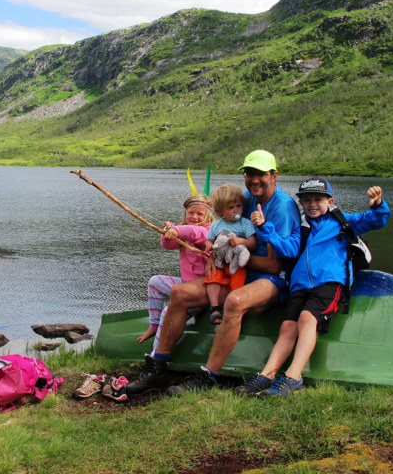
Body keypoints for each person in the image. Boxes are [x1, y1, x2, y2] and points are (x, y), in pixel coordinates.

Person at [123, 150, 301, 396]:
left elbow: (273, 266)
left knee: (235, 301)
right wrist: (215, 256)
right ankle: (158, 366)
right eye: (249, 173)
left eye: (260, 174)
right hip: (237, 271)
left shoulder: (282, 207)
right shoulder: (245, 199)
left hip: (271, 279)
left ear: (274, 176)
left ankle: (208, 375)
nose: (254, 179)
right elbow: (217, 229)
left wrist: (227, 258)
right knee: (180, 292)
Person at [234, 177, 390, 397]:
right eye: (307, 200)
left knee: (307, 318)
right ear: (301, 203)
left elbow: (374, 220)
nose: (312, 204)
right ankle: (267, 375)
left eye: (318, 199)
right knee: (287, 327)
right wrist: (264, 227)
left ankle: (294, 376)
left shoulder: (342, 220)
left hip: (330, 282)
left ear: (331, 201)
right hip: (299, 285)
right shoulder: (303, 227)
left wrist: (377, 205)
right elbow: (287, 248)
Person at [137, 194, 215, 347]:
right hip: (185, 286)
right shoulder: (184, 232)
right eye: (191, 213)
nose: (195, 216)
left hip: (204, 291)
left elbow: (195, 233)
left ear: (208, 216)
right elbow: (169, 245)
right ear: (185, 214)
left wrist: (177, 230)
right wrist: (167, 233)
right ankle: (154, 324)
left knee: (169, 311)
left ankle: (155, 354)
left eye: (200, 214)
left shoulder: (210, 232)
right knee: (154, 282)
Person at [203, 184, 256, 324]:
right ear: (220, 211)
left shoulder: (245, 223)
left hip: (237, 262)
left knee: (237, 283)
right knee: (212, 279)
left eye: (238, 206)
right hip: (220, 261)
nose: (236, 210)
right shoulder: (217, 225)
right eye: (231, 208)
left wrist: (240, 241)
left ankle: (233, 309)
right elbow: (209, 239)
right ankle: (214, 307)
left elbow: (253, 242)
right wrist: (209, 245)